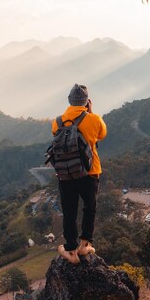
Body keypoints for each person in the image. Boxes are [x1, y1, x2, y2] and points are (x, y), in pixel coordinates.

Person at [52, 84, 107, 264]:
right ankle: (85, 245)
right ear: (86, 102)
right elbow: (102, 135)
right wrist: (90, 112)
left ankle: (71, 251)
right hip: (90, 172)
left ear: (69, 101)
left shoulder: (57, 122)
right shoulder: (94, 119)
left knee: (69, 212)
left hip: (66, 175)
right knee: (89, 208)